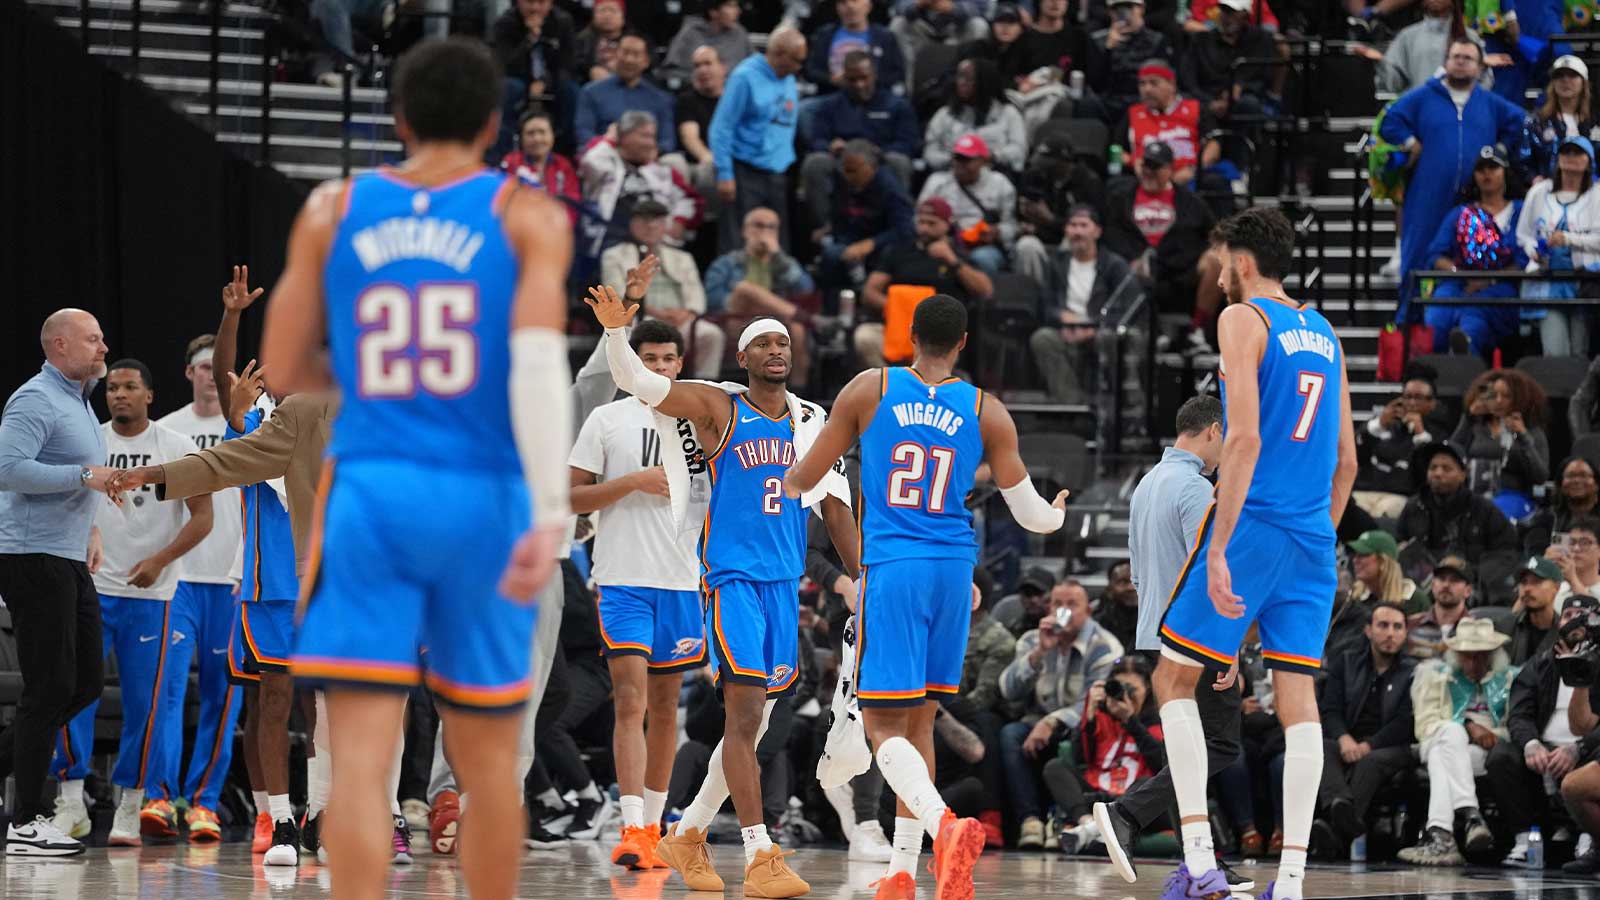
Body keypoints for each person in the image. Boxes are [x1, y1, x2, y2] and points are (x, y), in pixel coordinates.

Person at [256, 37, 575, 900]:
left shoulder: (332, 208)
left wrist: (360, 380)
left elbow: (282, 369)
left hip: (370, 494)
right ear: (493, 123)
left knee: (360, 764)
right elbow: (540, 368)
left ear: (397, 119)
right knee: (486, 762)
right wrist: (552, 512)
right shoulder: (527, 215)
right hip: (484, 496)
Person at [784, 292, 1070, 894]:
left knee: (883, 728)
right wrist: (1059, 513)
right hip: (952, 571)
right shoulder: (987, 409)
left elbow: (804, 479)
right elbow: (1034, 517)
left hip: (896, 567)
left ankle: (944, 827)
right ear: (964, 343)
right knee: (919, 724)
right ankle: (904, 874)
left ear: (909, 336)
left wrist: (781, 474)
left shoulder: (871, 388)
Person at [585, 285, 858, 895]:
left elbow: (837, 511)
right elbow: (644, 385)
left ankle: (688, 834)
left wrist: (860, 580)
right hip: (730, 578)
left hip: (785, 587)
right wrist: (613, 335)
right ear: (743, 356)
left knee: (757, 723)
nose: (775, 349)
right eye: (762, 341)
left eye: (783, 341)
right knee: (743, 714)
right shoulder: (717, 408)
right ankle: (761, 854)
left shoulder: (814, 420)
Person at [1144, 207, 1355, 900]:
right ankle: (1290, 882)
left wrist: (1222, 546)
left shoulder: (1243, 319)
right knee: (1299, 703)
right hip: (1313, 538)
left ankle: (1201, 862)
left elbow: (1242, 439)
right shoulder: (1326, 332)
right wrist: (1312, 534)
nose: (1217, 273)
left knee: (1172, 682)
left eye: (1220, 261)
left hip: (1255, 522)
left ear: (1239, 261)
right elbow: (1347, 464)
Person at [48, 359, 212, 847]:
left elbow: (203, 518)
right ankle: (71, 800)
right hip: (92, 590)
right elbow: (63, 503)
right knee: (75, 694)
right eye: (112, 387)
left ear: (149, 395)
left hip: (152, 594)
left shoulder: (176, 449)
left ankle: (130, 805)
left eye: (129, 387)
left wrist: (161, 560)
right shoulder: (90, 442)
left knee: (146, 706)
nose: (118, 394)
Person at [1092, 396, 1250, 891]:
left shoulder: (1145, 485)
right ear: (1213, 431)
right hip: (1194, 638)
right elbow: (1207, 572)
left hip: (1154, 635)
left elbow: (1138, 574)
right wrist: (1227, 647)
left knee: (1192, 744)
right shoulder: (1196, 489)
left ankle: (1198, 859)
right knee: (1219, 744)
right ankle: (1128, 813)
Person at [569, 319, 708, 870]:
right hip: (623, 578)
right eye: (649, 358)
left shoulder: (702, 417)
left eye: (669, 358)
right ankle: (631, 826)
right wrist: (631, 482)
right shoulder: (607, 418)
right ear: (633, 364)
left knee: (666, 707)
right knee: (629, 701)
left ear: (681, 362)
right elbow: (572, 497)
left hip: (680, 580)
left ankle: (653, 824)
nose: (661, 367)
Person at [0, 309, 114, 857]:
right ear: (59, 345)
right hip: (31, 556)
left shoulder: (79, 401)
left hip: (67, 556)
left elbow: (77, 476)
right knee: (49, 688)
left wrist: (90, 527)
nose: (102, 346)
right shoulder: (33, 399)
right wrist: (85, 477)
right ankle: (25, 823)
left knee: (84, 684)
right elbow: (9, 469)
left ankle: (19, 796)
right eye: (92, 339)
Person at [146, 332, 245, 842]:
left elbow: (261, 503)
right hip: (180, 581)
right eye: (202, 367)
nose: (210, 375)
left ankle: (204, 800)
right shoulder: (166, 430)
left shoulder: (246, 429)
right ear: (189, 373)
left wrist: (248, 568)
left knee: (222, 695)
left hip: (228, 582)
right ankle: (159, 796)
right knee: (164, 692)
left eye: (216, 368)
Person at [1378, 38, 1522, 325]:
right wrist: (1408, 141)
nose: (1460, 61)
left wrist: (1503, 149)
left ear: (1480, 66)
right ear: (1445, 62)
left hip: (1472, 201)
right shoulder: (1423, 96)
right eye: (1455, 56)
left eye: (1468, 58)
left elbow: (1519, 121)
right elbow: (1389, 120)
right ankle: (1407, 329)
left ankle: (1455, 331)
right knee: (1416, 261)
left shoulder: (1489, 102)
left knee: (1465, 263)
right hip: (1426, 196)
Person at [1000, 580, 1124, 848]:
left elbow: (1094, 700)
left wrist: (1053, 721)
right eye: (1057, 604)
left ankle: (1063, 821)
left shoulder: (1105, 647)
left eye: (1072, 604)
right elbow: (1007, 690)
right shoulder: (1033, 639)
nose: (1063, 610)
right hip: (1037, 719)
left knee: (1072, 738)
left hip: (1084, 722)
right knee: (1010, 735)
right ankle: (1029, 821)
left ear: (1087, 611)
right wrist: (1039, 653)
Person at [1489, 594, 1598, 865]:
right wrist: (1531, 744)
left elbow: (1588, 726)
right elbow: (1519, 713)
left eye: (1581, 616)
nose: (1574, 622)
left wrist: (1578, 747)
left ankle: (1591, 835)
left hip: (1587, 746)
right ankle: (1526, 838)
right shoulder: (1542, 662)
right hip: (1546, 745)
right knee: (1502, 757)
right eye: (1568, 615)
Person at [1396, 617, 1515, 866]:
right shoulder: (1435, 678)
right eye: (1466, 655)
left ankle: (1441, 836)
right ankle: (1471, 814)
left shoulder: (1508, 681)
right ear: (1455, 654)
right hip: (1435, 739)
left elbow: (1515, 726)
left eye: (1481, 655)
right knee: (1450, 733)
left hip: (1481, 754)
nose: (1473, 662)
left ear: (1493, 654)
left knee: (1444, 758)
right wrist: (1468, 727)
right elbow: (1425, 726)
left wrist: (1493, 735)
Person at [1313, 603, 1417, 851]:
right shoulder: (1346, 662)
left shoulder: (1414, 671)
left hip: (1392, 745)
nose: (1390, 633)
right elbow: (1330, 708)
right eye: (1383, 625)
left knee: (1371, 761)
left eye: (1397, 627)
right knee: (1321, 747)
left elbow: (1407, 722)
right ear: (1368, 630)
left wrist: (1369, 745)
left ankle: (1337, 833)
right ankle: (1339, 804)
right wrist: (1343, 738)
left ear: (1405, 634)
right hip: (1349, 739)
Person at [1101, 141, 1221, 343]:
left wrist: (1183, 256)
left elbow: (1215, 235)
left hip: (1178, 271)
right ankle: (1148, 333)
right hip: (1133, 270)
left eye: (1155, 167)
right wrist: (1130, 259)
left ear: (1169, 169)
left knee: (1217, 258)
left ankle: (1197, 329)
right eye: (1146, 165)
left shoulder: (1191, 202)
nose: (1149, 171)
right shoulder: (1121, 197)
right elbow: (1110, 234)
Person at [853, 197, 992, 368]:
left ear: (947, 224)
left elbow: (985, 289)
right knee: (864, 337)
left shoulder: (958, 256)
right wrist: (901, 308)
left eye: (932, 223)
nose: (924, 228)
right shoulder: (899, 252)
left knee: (943, 350)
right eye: (921, 222)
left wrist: (952, 261)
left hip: (940, 334)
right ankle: (892, 388)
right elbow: (870, 292)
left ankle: (928, 391)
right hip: (898, 327)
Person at [1052, 657, 1166, 852]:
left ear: (1147, 689)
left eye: (1133, 690)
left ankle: (1093, 830)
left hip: (1133, 799)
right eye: (1120, 688)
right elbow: (1081, 761)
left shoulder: (1158, 719)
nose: (1125, 696)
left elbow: (1160, 766)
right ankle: (1089, 823)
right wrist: (1088, 715)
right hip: (1097, 795)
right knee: (1055, 767)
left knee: (1149, 783)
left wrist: (1130, 720)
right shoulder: (1101, 716)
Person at [600, 200, 724, 380]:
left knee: (711, 334)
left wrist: (686, 313)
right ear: (633, 225)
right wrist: (657, 314)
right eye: (644, 220)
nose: (650, 225)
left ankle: (705, 384)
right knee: (633, 333)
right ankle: (636, 385)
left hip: (680, 318)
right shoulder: (614, 255)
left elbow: (695, 294)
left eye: (656, 220)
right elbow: (617, 296)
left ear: (665, 225)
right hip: (640, 316)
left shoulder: (682, 257)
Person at [1421, 144, 1525, 357]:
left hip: (1501, 286)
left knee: (1473, 318)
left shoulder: (1521, 210)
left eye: (1493, 167)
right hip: (1459, 282)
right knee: (1437, 318)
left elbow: (1525, 260)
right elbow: (1435, 255)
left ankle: (1464, 366)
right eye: (1481, 169)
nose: (1487, 174)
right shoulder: (1460, 213)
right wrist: (1458, 273)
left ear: (1505, 171)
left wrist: (1488, 280)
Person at [710, 29, 807, 253]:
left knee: (776, 244)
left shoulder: (788, 76)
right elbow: (721, 128)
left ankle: (774, 288)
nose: (800, 67)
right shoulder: (745, 78)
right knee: (740, 241)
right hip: (745, 171)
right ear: (779, 54)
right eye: (797, 60)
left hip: (777, 172)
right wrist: (725, 173)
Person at [1028, 205, 1132, 404]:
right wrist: (1061, 318)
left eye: (1084, 225)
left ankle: (1109, 405)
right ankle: (1071, 404)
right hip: (1064, 331)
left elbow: (1128, 306)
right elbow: (1044, 305)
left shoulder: (1114, 265)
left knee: (1108, 339)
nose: (1077, 232)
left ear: (1097, 231)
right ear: (1066, 231)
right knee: (1042, 338)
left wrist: (1093, 326)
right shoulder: (1056, 263)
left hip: (1100, 331)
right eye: (1073, 225)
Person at [702, 207, 817, 387]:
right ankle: (812, 320)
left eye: (771, 228)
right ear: (745, 230)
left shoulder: (783, 262)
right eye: (759, 226)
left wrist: (778, 256)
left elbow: (806, 288)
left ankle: (798, 394)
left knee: (798, 330)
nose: (764, 232)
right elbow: (713, 301)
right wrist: (750, 301)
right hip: (737, 320)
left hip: (776, 321)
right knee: (745, 289)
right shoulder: (726, 263)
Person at [802, 50, 920, 225]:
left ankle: (898, 224)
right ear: (844, 78)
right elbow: (816, 139)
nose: (859, 84)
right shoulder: (829, 106)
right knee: (815, 163)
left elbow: (909, 143)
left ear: (874, 75)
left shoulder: (897, 105)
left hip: (879, 161)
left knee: (899, 161)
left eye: (864, 78)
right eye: (852, 79)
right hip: (843, 162)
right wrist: (829, 146)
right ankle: (827, 227)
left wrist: (881, 152)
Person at [1395, 441, 1521, 594]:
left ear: (1463, 474)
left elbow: (1506, 552)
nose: (1438, 473)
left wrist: (1472, 576)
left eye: (1446, 468)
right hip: (1422, 586)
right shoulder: (1414, 506)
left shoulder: (1483, 508)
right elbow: (1398, 541)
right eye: (1433, 467)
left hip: (1470, 587)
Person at [1515, 134, 1600, 358]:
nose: (1571, 158)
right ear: (1558, 158)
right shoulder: (1539, 192)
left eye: (1578, 153)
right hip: (1547, 282)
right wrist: (1534, 251)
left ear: (1589, 160)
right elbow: (1524, 235)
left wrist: (1569, 239)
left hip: (1585, 283)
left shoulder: (1597, 194)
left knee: (1580, 351)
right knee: (1555, 353)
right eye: (1566, 152)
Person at [578, 109, 704, 251]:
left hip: (656, 246)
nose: (651, 143)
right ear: (624, 136)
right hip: (611, 244)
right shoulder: (606, 164)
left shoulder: (662, 171)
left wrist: (679, 221)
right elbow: (589, 162)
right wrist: (610, 138)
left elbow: (692, 201)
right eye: (645, 136)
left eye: (653, 137)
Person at [818, 140, 917, 305]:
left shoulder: (890, 189)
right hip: (850, 238)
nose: (847, 175)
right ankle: (830, 310)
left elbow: (905, 230)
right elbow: (839, 215)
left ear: (870, 166)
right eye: (844, 169)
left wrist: (871, 243)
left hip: (882, 244)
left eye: (852, 171)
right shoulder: (843, 181)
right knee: (830, 252)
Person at [1451, 369, 1551, 522]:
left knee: (1486, 515)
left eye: (1506, 396)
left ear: (1520, 399)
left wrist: (1523, 436)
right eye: (1493, 395)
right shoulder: (1475, 425)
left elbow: (1540, 476)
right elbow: (1450, 455)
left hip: (1513, 496)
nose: (1498, 401)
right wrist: (1468, 417)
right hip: (1472, 494)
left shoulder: (1531, 431)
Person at [1113, 60, 1223, 194]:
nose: (1147, 89)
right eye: (1142, 83)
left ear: (1172, 84)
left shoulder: (1195, 109)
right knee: (1117, 186)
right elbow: (1116, 150)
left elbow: (1214, 145)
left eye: (1154, 83)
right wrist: (1135, 164)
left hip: (1189, 177)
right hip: (1146, 177)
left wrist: (1194, 170)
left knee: (1214, 182)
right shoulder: (1133, 113)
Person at [916, 134, 1017, 277]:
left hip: (983, 246)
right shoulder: (937, 182)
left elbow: (1012, 226)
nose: (960, 165)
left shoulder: (1000, 184)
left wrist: (997, 232)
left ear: (983, 161)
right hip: (945, 241)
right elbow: (920, 217)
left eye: (967, 160)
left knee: (982, 258)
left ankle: (985, 296)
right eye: (957, 158)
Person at [491, 0, 577, 157]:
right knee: (509, 88)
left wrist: (545, 81)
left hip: (552, 79)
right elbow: (505, 64)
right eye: (530, 2)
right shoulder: (505, 23)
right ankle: (500, 155)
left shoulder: (562, 21)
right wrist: (530, 39)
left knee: (570, 90)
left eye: (541, 2)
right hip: (518, 78)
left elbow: (567, 63)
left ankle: (566, 154)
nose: (535, 8)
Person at [1354, 374, 1443, 519]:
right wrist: (1380, 424)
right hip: (1364, 490)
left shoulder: (1437, 433)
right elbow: (1357, 452)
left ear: (1432, 403)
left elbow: (1428, 468)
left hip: (1399, 495)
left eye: (1418, 397)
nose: (1412, 402)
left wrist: (1420, 434)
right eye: (1407, 397)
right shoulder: (1381, 426)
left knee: (1385, 512)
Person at [576, 32, 676, 153]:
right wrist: (609, 145)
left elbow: (667, 141)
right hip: (606, 154)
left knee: (675, 162)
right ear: (616, 55)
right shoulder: (591, 92)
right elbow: (583, 133)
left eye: (635, 54)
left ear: (646, 61)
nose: (629, 59)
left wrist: (651, 152)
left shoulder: (661, 99)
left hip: (648, 157)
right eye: (625, 52)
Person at [923, 58, 1028, 173]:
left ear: (984, 82)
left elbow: (1019, 150)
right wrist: (954, 160)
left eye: (968, 79)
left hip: (995, 174)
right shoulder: (945, 114)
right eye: (959, 77)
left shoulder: (1009, 113)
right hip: (951, 175)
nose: (961, 82)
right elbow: (930, 152)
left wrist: (992, 156)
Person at [1085, 0, 1177, 125]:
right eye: (1118, 10)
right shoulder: (1098, 41)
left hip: (1145, 100)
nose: (1124, 15)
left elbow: (1163, 80)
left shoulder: (1157, 40)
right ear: (1110, 13)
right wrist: (1108, 49)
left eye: (1129, 9)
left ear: (1141, 9)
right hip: (1109, 102)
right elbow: (1096, 84)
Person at [1518, 55, 1599, 185]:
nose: (1565, 80)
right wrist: (1534, 179)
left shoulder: (1596, 122)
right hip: (1550, 194)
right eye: (1559, 75)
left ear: (1583, 82)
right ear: (1552, 83)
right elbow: (1523, 160)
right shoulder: (1537, 122)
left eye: (1572, 75)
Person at [802, 0, 907, 100]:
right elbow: (810, 70)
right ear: (837, 8)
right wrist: (831, 79)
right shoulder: (824, 34)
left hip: (875, 99)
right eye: (843, 2)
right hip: (832, 97)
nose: (850, 6)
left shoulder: (884, 37)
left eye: (855, 1)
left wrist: (867, 80)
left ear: (868, 6)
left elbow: (897, 73)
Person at [500, 109, 581, 226]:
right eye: (530, 133)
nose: (537, 138)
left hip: (557, 232)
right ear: (521, 138)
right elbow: (503, 203)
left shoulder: (563, 165)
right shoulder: (511, 163)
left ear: (552, 135)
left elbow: (573, 206)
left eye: (542, 132)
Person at [671, 46, 726, 202]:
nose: (702, 70)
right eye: (697, 66)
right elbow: (690, 137)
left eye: (708, 64)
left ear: (723, 68)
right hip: (702, 163)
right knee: (708, 171)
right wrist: (709, 158)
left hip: (733, 160)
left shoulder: (734, 98)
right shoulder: (687, 100)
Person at [660, 0, 752, 84]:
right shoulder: (689, 34)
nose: (738, 11)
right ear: (713, 12)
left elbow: (754, 68)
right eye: (731, 6)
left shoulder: (740, 33)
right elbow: (671, 72)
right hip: (698, 95)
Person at [1524, 456, 1600, 556]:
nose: (1577, 480)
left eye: (1583, 475)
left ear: (1596, 485)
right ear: (1560, 484)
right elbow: (1535, 557)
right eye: (1570, 476)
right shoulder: (1546, 520)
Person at [1408, 556, 1474, 659]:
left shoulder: (1477, 631)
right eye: (1441, 579)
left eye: (1454, 580)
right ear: (1433, 585)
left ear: (1468, 591)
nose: (1446, 585)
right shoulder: (1411, 625)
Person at [1347, 529, 1425, 614]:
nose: (1355, 560)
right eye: (1356, 554)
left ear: (1383, 561)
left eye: (1363, 554)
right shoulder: (1353, 598)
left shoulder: (1414, 601)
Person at [1511, 555, 1564, 665]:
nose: (1527, 589)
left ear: (1556, 588)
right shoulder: (1505, 627)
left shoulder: (1565, 634)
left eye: (1537, 582)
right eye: (1524, 582)